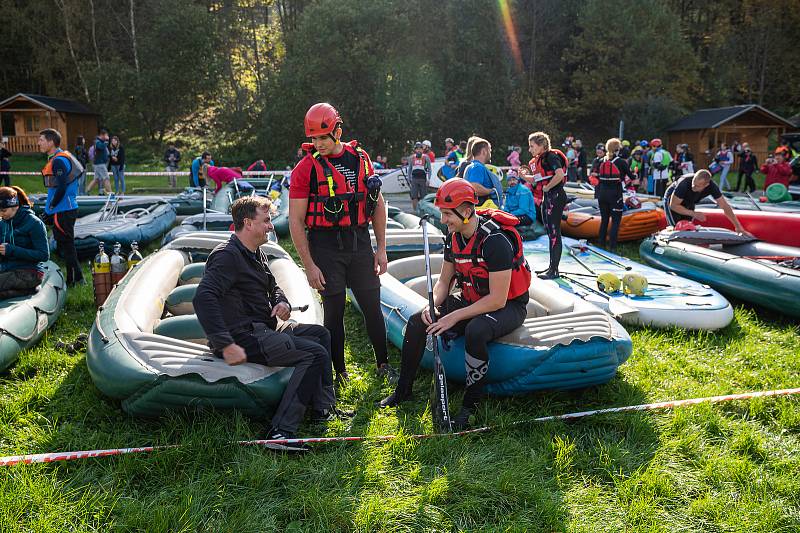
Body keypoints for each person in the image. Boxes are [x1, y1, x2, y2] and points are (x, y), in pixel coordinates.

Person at [193, 196, 345, 452]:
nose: (272, 226)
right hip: (242, 337)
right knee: (314, 354)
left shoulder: (256, 252)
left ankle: (323, 409)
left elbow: (273, 287)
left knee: (321, 335)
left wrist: (281, 303)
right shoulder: (226, 257)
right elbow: (202, 297)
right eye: (266, 221)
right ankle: (280, 432)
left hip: (262, 329)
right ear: (248, 223)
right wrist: (224, 343)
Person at [377, 179, 531, 429]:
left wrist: (455, 317)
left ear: (467, 212)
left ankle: (470, 406)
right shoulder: (454, 236)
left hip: (507, 306)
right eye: (442, 213)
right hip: (473, 298)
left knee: (476, 330)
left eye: (448, 213)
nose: (444, 219)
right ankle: (403, 390)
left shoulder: (495, 242)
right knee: (419, 320)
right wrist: (434, 305)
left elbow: (497, 299)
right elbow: (444, 280)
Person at [289, 102, 392, 384]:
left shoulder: (361, 158)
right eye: (314, 139)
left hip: (359, 240)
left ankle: (383, 365)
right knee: (333, 311)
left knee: (372, 304)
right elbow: (296, 222)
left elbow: (377, 204)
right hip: (324, 245)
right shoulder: (304, 170)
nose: (319, 144)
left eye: (324, 137)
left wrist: (381, 248)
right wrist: (309, 265)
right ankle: (339, 373)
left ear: (338, 131)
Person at [518, 131, 568, 279]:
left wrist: (547, 187)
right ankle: (551, 267)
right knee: (550, 233)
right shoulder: (540, 160)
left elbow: (559, 175)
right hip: (548, 197)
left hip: (556, 196)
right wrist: (523, 176)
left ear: (542, 145)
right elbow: (535, 180)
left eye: (532, 146)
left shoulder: (551, 156)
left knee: (554, 233)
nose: (530, 149)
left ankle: (554, 270)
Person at [38, 128, 84, 286]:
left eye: (41, 140)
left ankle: (75, 280)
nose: (39, 143)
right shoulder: (56, 157)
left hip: (63, 209)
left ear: (51, 142)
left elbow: (62, 187)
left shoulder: (58, 160)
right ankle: (76, 278)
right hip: (61, 209)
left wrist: (50, 207)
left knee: (67, 246)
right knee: (65, 245)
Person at [664, 169, 751, 235]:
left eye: (697, 186)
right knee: (678, 228)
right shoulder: (684, 183)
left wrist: (738, 226)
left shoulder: (712, 187)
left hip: (689, 201)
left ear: (706, 185)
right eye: (693, 183)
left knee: (689, 229)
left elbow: (725, 206)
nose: (693, 187)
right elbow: (673, 205)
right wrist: (694, 213)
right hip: (672, 200)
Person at [0, 186, 49, 299]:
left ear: (15, 206)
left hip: (29, 272)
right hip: (7, 269)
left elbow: (43, 255)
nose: (1, 214)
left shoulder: (34, 223)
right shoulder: (2, 224)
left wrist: (12, 250)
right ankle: (25, 291)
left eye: (3, 210)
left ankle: (28, 289)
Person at [593, 138, 635, 252]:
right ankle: (612, 247)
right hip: (615, 195)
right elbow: (632, 177)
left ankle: (601, 244)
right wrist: (634, 174)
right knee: (616, 221)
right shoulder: (621, 162)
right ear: (618, 149)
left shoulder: (602, 160)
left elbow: (596, 175)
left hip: (602, 194)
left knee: (604, 219)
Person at [464, 137, 503, 208]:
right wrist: (491, 191)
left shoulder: (471, 166)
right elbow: (474, 188)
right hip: (483, 213)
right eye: (489, 151)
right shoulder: (478, 167)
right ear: (484, 151)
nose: (490, 154)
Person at [407, 142, 431, 211]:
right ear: (415, 150)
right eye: (417, 149)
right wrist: (409, 179)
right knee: (414, 196)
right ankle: (415, 211)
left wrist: (428, 179)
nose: (419, 150)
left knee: (424, 197)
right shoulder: (412, 158)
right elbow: (409, 169)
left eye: (420, 149)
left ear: (422, 150)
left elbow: (429, 169)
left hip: (423, 179)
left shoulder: (426, 157)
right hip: (414, 179)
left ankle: (423, 211)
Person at [86, 129, 110, 195]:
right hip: (100, 164)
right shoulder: (97, 142)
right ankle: (111, 194)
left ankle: (87, 191)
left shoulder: (100, 141)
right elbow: (101, 147)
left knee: (96, 179)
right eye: (106, 135)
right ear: (102, 135)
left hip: (99, 163)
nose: (107, 136)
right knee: (106, 178)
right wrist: (107, 141)